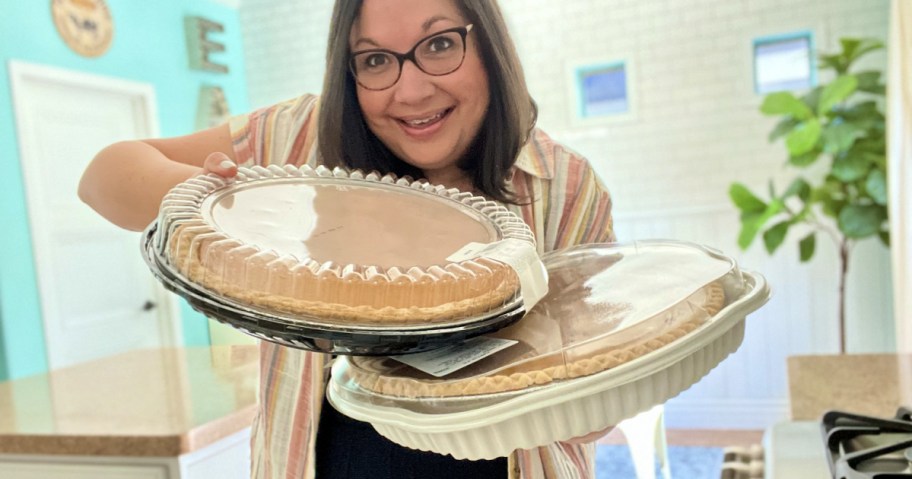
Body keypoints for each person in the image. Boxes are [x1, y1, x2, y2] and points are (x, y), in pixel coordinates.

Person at [79, 0, 616, 477]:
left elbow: (594, 406)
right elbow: (102, 177)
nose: (411, 90)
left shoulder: (565, 187)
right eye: (375, 60)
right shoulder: (296, 140)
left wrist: (586, 392)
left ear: (490, 45)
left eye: (440, 44)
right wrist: (222, 202)